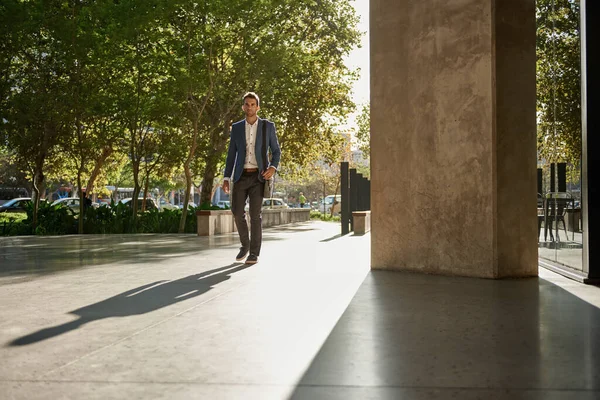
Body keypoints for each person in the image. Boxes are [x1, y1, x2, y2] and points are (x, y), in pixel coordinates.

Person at [222, 92, 281, 264]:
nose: (249, 107)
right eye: (247, 104)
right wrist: (226, 177)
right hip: (240, 176)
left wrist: (272, 167)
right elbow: (231, 154)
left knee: (255, 215)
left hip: (258, 176)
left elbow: (276, 151)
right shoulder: (237, 127)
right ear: (243, 107)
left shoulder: (267, 126)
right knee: (237, 212)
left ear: (258, 107)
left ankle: (254, 253)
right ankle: (245, 245)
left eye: (253, 104)